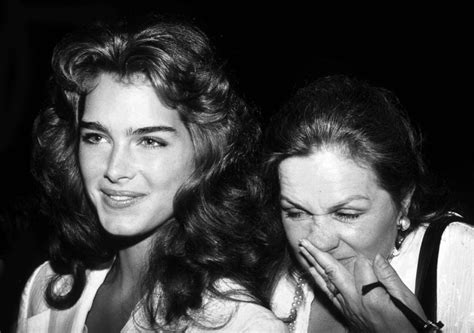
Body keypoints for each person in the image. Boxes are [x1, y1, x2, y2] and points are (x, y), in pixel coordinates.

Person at [16, 18, 287, 332]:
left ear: (205, 154)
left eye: (149, 141)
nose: (115, 169)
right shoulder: (46, 288)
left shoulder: (241, 325)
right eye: (96, 137)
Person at [261, 74, 474, 332]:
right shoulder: (272, 279)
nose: (318, 241)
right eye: (296, 213)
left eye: (346, 214)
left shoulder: (459, 256)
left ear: (404, 200)